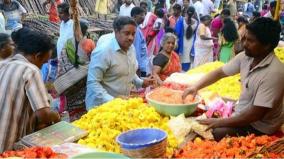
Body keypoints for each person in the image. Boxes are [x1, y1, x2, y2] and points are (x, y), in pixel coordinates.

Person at [183, 17, 284, 141]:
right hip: (243, 112)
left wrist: (222, 122)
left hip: (260, 126)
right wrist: (195, 87)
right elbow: (220, 73)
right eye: (245, 38)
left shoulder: (275, 73)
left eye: (251, 41)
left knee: (214, 132)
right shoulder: (246, 57)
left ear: (267, 45)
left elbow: (256, 114)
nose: (244, 44)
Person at [0, 28, 60, 152]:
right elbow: (44, 115)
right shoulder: (30, 70)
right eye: (43, 62)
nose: (42, 66)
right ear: (37, 56)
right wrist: (56, 115)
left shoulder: (3, 65)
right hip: (8, 146)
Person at [85, 16, 155, 110]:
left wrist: (141, 82)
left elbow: (129, 70)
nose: (131, 38)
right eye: (126, 33)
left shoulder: (131, 49)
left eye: (133, 34)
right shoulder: (103, 51)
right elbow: (93, 83)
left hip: (120, 106)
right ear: (116, 32)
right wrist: (113, 100)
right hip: (101, 107)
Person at [176, 6, 198, 71]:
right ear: (194, 13)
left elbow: (177, 32)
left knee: (181, 57)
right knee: (188, 58)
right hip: (191, 43)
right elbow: (196, 34)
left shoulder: (181, 20)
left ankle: (180, 70)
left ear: (186, 12)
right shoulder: (196, 22)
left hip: (182, 42)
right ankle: (186, 71)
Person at [131, 7, 148, 77]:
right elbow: (136, 49)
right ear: (135, 16)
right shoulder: (135, 30)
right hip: (139, 66)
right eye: (141, 15)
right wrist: (138, 67)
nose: (144, 17)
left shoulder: (137, 28)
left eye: (144, 15)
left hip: (141, 64)